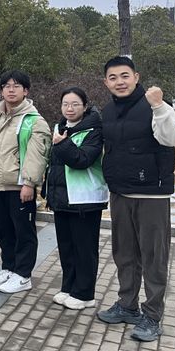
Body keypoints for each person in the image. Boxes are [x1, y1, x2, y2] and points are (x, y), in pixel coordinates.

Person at [96, 56, 175, 342]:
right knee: (124, 253)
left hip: (151, 194)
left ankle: (152, 316)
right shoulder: (108, 111)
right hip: (120, 192)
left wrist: (159, 106)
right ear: (106, 82)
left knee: (154, 256)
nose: (119, 82)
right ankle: (127, 305)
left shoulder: (155, 105)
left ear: (136, 77)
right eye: (113, 77)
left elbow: (170, 139)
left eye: (125, 76)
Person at [0, 70, 51, 294]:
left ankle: (23, 275)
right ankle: (9, 268)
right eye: (6, 86)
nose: (11, 90)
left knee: (23, 232)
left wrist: (29, 184)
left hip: (19, 187)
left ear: (26, 91)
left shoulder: (34, 121)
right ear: (1, 90)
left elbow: (37, 156)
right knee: (4, 231)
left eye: (16, 86)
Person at [43, 87, 108, 310]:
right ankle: (68, 287)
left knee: (84, 248)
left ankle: (85, 293)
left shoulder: (94, 130)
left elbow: (82, 160)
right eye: (65, 104)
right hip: (63, 199)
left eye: (75, 104)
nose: (69, 108)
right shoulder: (60, 128)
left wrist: (62, 144)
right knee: (67, 247)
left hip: (85, 199)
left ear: (85, 106)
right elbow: (54, 165)